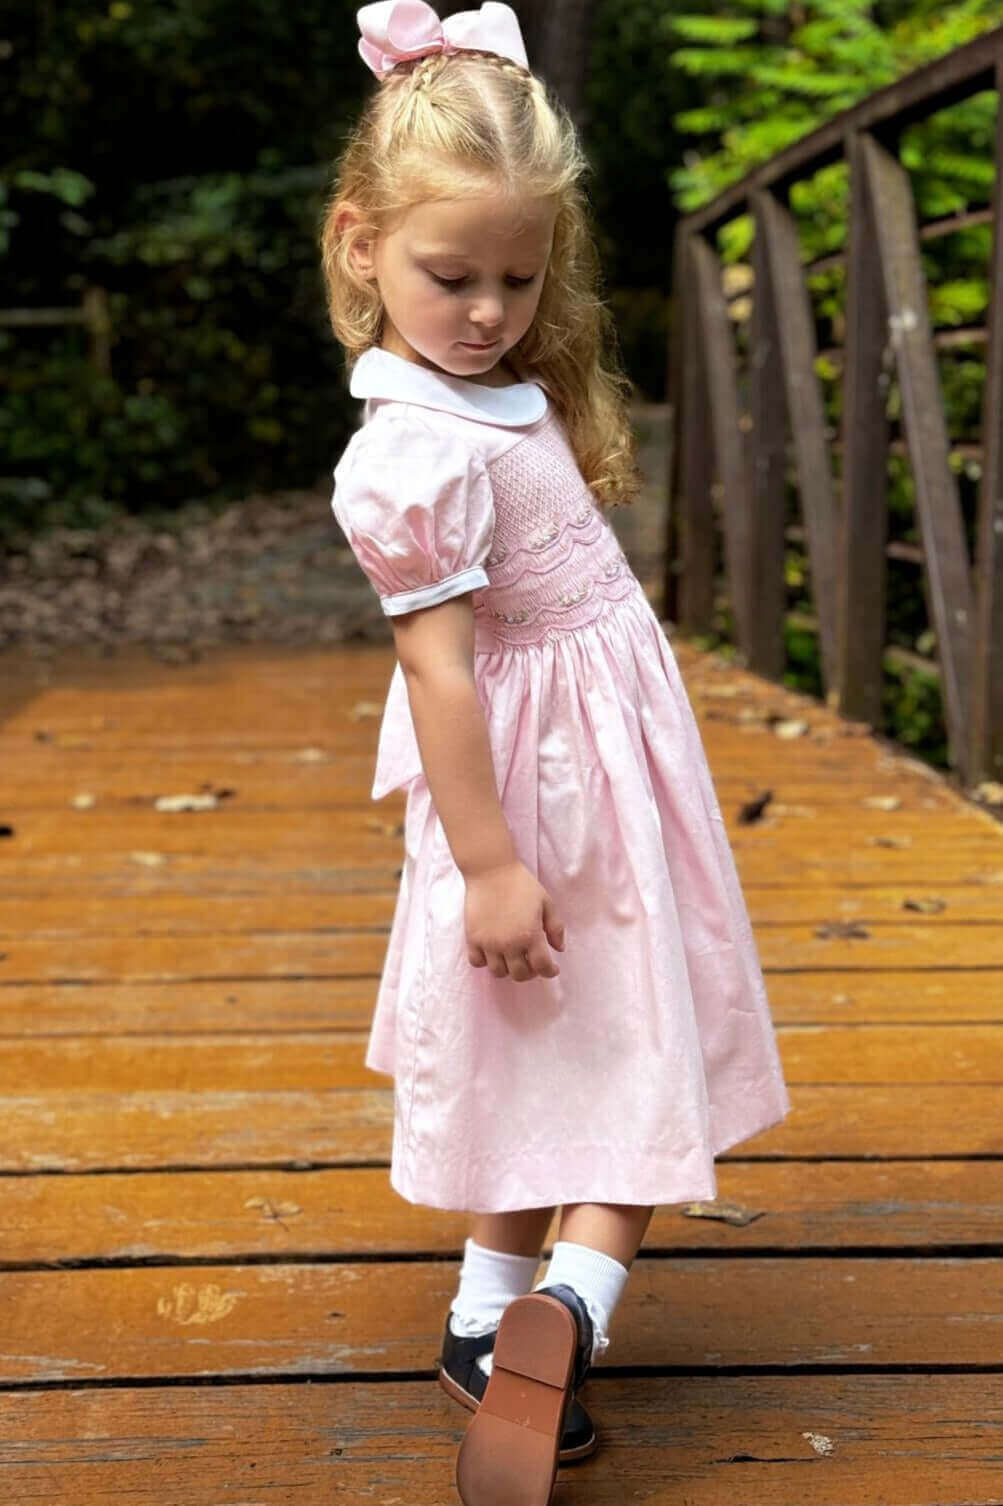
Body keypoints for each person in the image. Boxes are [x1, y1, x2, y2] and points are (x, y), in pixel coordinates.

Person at [321, 4, 792, 1501]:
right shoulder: (406, 449)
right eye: (448, 276)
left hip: (588, 760)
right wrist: (492, 863)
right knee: (637, 1040)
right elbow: (439, 673)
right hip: (538, 794)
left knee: (549, 1052)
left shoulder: (475, 389)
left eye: (519, 279)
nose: (485, 312)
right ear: (359, 245)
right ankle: (571, 1312)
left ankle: (483, 1325)